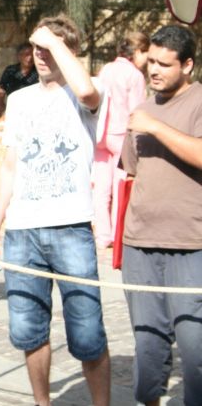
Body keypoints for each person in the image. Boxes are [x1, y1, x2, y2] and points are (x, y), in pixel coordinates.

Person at [0, 15, 110, 406]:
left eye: (48, 49)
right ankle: (42, 403)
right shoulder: (19, 100)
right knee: (27, 330)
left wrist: (55, 42)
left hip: (70, 229)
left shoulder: (88, 90)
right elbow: (9, 165)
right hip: (23, 231)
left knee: (87, 333)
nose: (39, 56)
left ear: (66, 51)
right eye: (36, 48)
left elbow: (86, 91)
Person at [119, 24, 202, 406]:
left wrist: (156, 127)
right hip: (140, 246)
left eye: (164, 64)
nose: (153, 70)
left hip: (192, 245)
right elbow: (132, 171)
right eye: (150, 60)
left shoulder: (199, 101)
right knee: (148, 349)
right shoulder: (141, 110)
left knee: (195, 349)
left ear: (187, 65)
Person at [91, 31, 148, 251]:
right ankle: (118, 234)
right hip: (122, 134)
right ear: (137, 52)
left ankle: (103, 236)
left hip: (101, 134)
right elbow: (137, 110)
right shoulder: (135, 75)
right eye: (146, 54)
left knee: (101, 188)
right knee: (120, 185)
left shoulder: (106, 69)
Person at [0, 42, 38, 116]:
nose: (30, 58)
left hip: (33, 109)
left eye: (32, 55)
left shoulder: (38, 72)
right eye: (26, 55)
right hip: (14, 109)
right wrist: (0, 103)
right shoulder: (11, 70)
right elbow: (1, 88)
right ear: (19, 56)